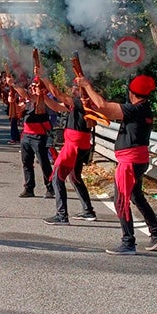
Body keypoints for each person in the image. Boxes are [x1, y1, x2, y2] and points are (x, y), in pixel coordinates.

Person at [80, 73, 157, 254]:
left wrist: (87, 85)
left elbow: (104, 106)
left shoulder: (137, 109)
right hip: (136, 158)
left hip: (130, 160)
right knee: (136, 196)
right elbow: (105, 109)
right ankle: (156, 233)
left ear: (131, 93)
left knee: (121, 200)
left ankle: (128, 242)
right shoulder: (142, 108)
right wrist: (90, 103)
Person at [41, 81, 98, 225]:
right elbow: (56, 106)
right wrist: (43, 97)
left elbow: (58, 95)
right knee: (74, 177)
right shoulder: (80, 103)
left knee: (57, 177)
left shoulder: (81, 102)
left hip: (75, 145)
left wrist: (44, 78)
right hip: (80, 144)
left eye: (74, 87)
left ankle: (62, 215)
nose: (71, 89)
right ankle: (88, 211)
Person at [15, 80, 55, 198]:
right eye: (32, 86)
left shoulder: (44, 100)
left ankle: (51, 188)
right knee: (26, 163)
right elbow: (18, 110)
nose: (32, 88)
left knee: (44, 163)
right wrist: (13, 103)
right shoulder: (27, 101)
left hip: (39, 136)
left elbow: (28, 96)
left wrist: (14, 84)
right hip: (26, 135)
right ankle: (29, 188)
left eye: (35, 86)